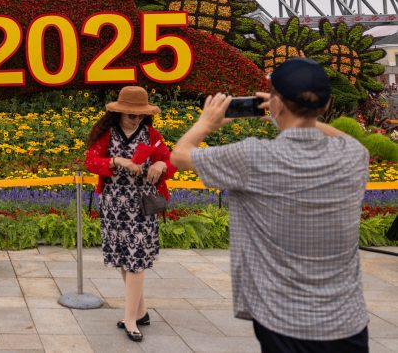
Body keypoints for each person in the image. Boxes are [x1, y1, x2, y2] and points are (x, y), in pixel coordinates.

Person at [170, 57, 369, 353]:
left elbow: (181, 155)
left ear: (276, 102)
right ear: (326, 107)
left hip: (283, 321)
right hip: (347, 320)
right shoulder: (352, 156)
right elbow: (354, 142)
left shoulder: (252, 158)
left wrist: (205, 123)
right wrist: (289, 117)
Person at [85, 85, 176, 343]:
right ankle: (141, 311)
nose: (136, 119)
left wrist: (160, 164)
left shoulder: (152, 135)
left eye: (140, 116)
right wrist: (116, 161)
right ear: (120, 114)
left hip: (142, 207)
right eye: (130, 115)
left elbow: (170, 162)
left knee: (135, 260)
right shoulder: (107, 134)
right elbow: (91, 161)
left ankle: (131, 319)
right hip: (114, 205)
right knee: (123, 259)